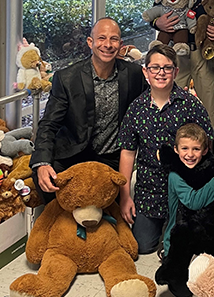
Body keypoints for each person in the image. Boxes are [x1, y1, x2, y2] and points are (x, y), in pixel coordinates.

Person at [30, 17, 147, 204]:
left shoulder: (134, 75)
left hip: (111, 158)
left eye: (113, 39)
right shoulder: (67, 78)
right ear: (90, 42)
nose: (107, 45)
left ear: (120, 44)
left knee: (104, 201)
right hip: (73, 153)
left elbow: (149, 107)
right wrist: (42, 163)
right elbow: (48, 124)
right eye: (101, 38)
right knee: (45, 176)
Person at [118, 44, 213, 254]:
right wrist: (125, 197)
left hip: (185, 188)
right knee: (142, 246)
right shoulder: (136, 109)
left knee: (187, 246)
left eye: (167, 68)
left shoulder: (192, 105)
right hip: (149, 190)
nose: (161, 73)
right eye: (155, 68)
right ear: (145, 72)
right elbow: (127, 151)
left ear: (176, 72)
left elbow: (208, 146)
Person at [156, 123, 214, 297]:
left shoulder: (205, 169)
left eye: (196, 149)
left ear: (204, 151)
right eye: (185, 148)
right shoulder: (175, 175)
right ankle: (166, 255)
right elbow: (193, 201)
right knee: (183, 291)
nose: (190, 154)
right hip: (177, 239)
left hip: (202, 236)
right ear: (176, 149)